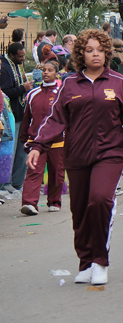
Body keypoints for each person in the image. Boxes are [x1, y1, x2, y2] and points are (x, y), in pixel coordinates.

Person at [26, 29, 123, 286]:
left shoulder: (119, 82)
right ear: (81, 53)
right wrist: (37, 146)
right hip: (77, 155)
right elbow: (56, 119)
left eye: (100, 50)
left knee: (99, 200)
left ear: (106, 53)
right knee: (79, 211)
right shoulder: (69, 84)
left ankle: (100, 261)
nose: (95, 54)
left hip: (110, 152)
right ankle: (85, 262)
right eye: (90, 50)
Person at [19, 60, 65, 215]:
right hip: (36, 141)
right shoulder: (32, 94)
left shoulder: (62, 93)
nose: (46, 72)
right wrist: (24, 139)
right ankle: (29, 203)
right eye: (43, 70)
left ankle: (54, 201)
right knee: (33, 170)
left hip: (58, 141)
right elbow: (27, 119)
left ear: (56, 73)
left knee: (56, 173)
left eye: (50, 70)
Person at [0, 42, 34, 192]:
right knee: (10, 150)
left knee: (22, 148)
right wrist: (23, 88)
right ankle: (7, 183)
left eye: (23, 56)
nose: (22, 59)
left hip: (21, 112)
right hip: (10, 115)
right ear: (12, 55)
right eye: (20, 56)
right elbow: (5, 91)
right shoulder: (5, 67)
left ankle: (17, 182)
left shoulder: (16, 65)